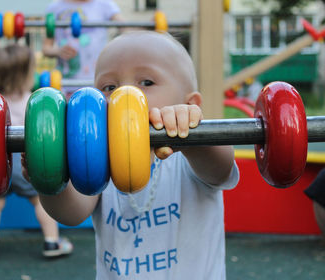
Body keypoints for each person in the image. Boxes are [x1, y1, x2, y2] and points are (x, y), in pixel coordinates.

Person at [25, 31, 239, 279]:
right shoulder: (97, 158)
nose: (124, 96)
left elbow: (220, 167)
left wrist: (189, 135)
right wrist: (50, 178)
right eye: (110, 87)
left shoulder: (190, 157)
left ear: (190, 104)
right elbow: (72, 213)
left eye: (146, 83)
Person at [0, 45, 73, 263]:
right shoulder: (33, 101)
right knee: (40, 200)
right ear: (27, 75)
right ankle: (51, 242)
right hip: (22, 162)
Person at [42, 0, 123, 96]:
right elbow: (46, 48)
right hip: (64, 85)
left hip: (96, 85)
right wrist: (58, 51)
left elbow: (127, 29)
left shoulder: (105, 4)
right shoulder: (54, 8)